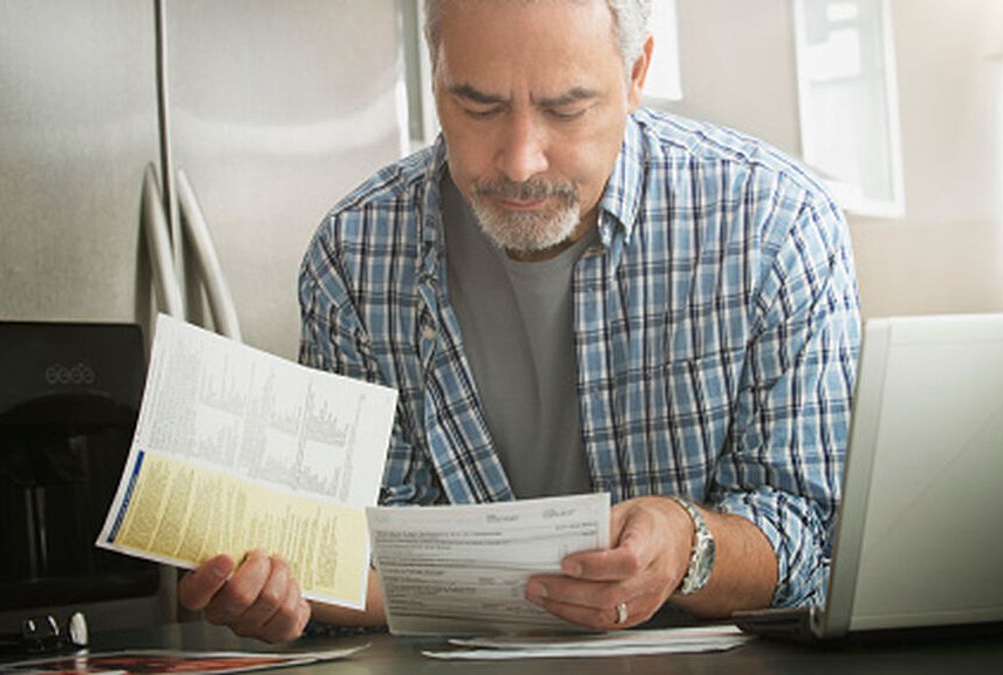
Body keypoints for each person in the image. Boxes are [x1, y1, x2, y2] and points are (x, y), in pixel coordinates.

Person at [178, 0, 861, 643]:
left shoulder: (775, 227)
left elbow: (814, 541)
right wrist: (292, 597)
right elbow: (367, 556)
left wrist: (690, 544)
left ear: (635, 75)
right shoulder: (354, 258)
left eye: (567, 109)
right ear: (435, 75)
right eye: (478, 106)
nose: (520, 160)